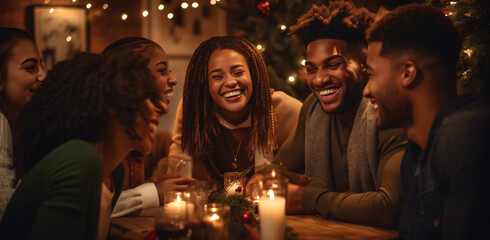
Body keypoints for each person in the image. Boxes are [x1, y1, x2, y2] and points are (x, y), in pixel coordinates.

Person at [0, 51, 165, 239]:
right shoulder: (81, 158)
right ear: (114, 105)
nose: (160, 109)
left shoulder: (114, 173)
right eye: (147, 99)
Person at [271, 1, 407, 229]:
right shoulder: (312, 108)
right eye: (311, 69)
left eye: (333, 65)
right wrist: (262, 179)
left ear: (364, 64)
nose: (319, 80)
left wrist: (308, 198)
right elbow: (277, 169)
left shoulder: (386, 109)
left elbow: (389, 208)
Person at [363, 4, 490, 239]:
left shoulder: (463, 135)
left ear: (407, 73)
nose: (366, 90)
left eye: (371, 75)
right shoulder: (415, 154)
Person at [163, 36, 302, 191]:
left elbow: (313, 176)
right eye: (217, 77)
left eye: (238, 72)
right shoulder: (194, 112)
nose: (230, 82)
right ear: (205, 84)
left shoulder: (286, 109)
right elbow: (177, 174)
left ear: (253, 74)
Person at [102, 37, 196, 218]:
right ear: (129, 79)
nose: (173, 79)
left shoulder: (136, 144)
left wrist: (150, 184)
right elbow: (96, 208)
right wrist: (152, 192)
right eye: (162, 71)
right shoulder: (97, 146)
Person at [0, 27, 46, 221]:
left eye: (42, 66)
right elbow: (8, 210)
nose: (43, 75)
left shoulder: (24, 125)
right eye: (30, 68)